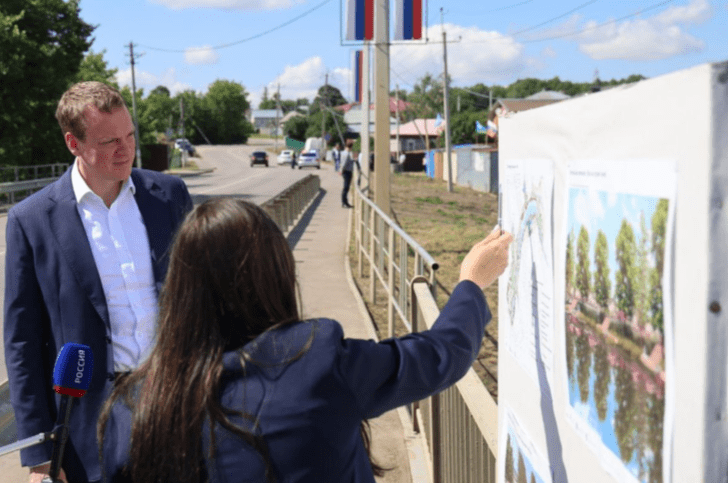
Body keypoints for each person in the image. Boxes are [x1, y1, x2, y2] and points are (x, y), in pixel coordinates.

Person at [98, 198, 512, 483]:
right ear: (273, 276)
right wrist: (472, 283)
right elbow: (442, 355)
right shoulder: (316, 362)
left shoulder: (134, 406)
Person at [3, 81, 193, 483]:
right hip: (88, 425)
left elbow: (205, 296)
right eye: (109, 141)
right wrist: (40, 453)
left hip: (175, 403)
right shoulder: (32, 221)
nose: (127, 150)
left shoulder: (170, 196)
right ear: (73, 143)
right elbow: (22, 342)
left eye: (130, 135)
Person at [338, 144, 359, 208]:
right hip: (347, 172)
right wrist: (341, 171)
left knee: (346, 187)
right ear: (350, 147)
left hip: (346, 171)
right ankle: (344, 202)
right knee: (346, 187)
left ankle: (344, 202)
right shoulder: (347, 154)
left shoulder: (344, 153)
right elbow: (344, 163)